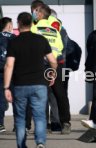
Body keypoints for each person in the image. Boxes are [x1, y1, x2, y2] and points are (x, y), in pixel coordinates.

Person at [4, 12, 57, 148]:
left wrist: (6, 87)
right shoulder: (41, 40)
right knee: (39, 116)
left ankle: (22, 145)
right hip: (39, 85)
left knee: (20, 119)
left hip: (20, 85)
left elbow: (9, 65)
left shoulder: (14, 42)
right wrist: (52, 74)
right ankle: (40, 143)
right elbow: (53, 61)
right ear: (32, 23)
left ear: (19, 23)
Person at [31, 4, 71, 134]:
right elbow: (60, 47)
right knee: (60, 94)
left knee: (40, 95)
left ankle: (42, 125)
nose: (35, 14)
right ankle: (66, 123)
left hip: (40, 65)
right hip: (55, 64)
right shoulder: (55, 30)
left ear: (40, 15)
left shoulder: (35, 28)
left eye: (36, 12)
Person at [0, 17, 15, 132]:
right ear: (9, 26)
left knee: (0, 98)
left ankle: (0, 124)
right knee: (17, 98)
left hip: (0, 72)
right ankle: (19, 125)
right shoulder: (16, 38)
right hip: (14, 72)